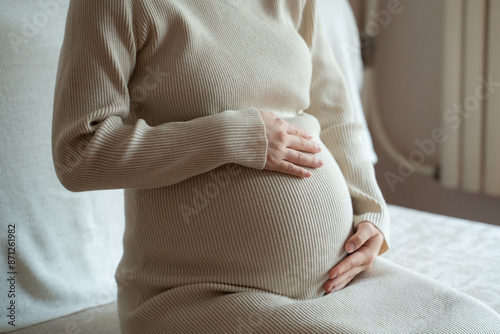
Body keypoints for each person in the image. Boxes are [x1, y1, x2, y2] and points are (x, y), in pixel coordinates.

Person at [52, 0, 500, 333]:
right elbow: (80, 152)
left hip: (332, 283)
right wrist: (232, 137)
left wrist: (371, 212)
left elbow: (333, 107)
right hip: (197, 293)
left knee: (474, 323)